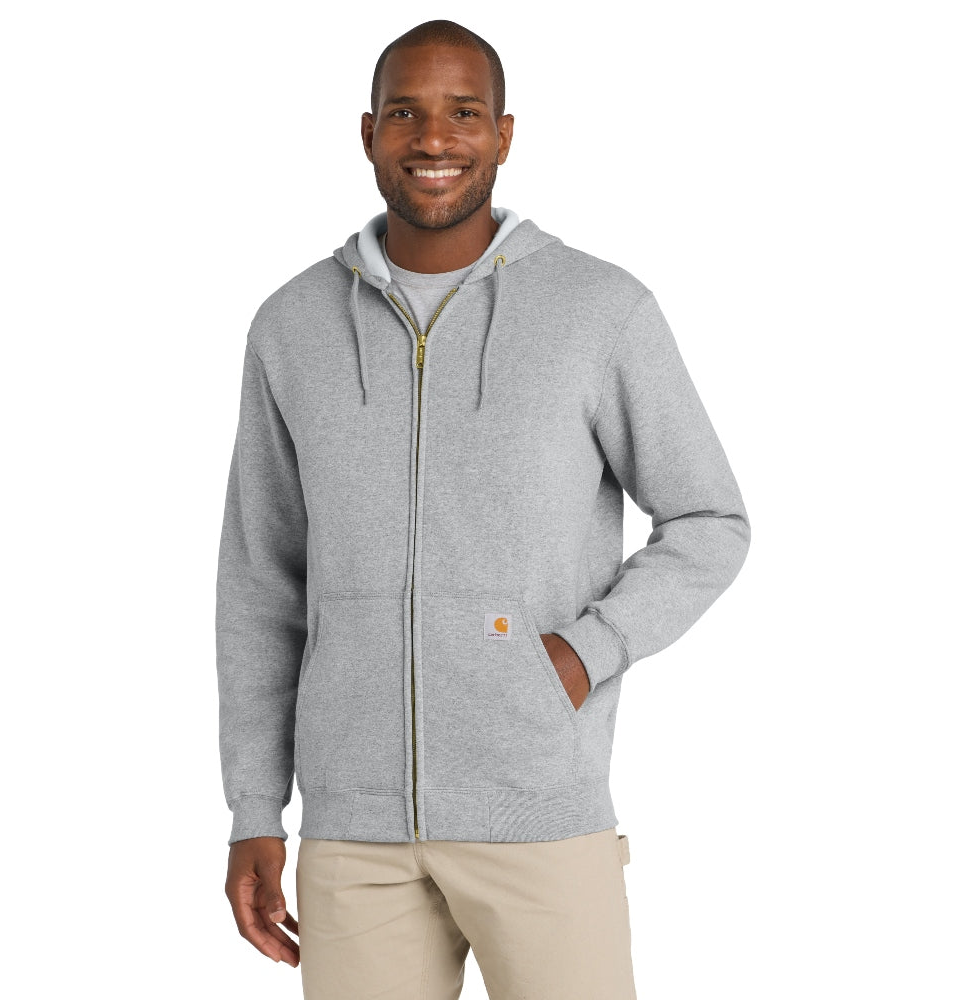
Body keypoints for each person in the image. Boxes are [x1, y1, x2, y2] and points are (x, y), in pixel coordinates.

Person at [216, 19, 751, 1000]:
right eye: (405, 113)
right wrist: (256, 808)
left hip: (538, 813)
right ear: (368, 132)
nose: (434, 139)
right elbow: (261, 580)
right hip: (355, 833)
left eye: (463, 113)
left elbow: (709, 520)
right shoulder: (290, 327)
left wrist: (581, 653)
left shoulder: (600, 311)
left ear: (503, 134)